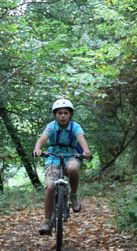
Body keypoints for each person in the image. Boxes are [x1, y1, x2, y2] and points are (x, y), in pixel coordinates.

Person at [32, 99, 92, 235]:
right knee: (51, 187)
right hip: (53, 157)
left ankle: (74, 195)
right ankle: (47, 221)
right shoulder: (51, 126)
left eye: (65, 113)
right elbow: (42, 138)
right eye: (59, 113)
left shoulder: (75, 126)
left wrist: (86, 151)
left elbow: (81, 138)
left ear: (70, 114)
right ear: (55, 115)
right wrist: (37, 149)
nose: (63, 116)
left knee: (72, 168)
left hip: (71, 155)